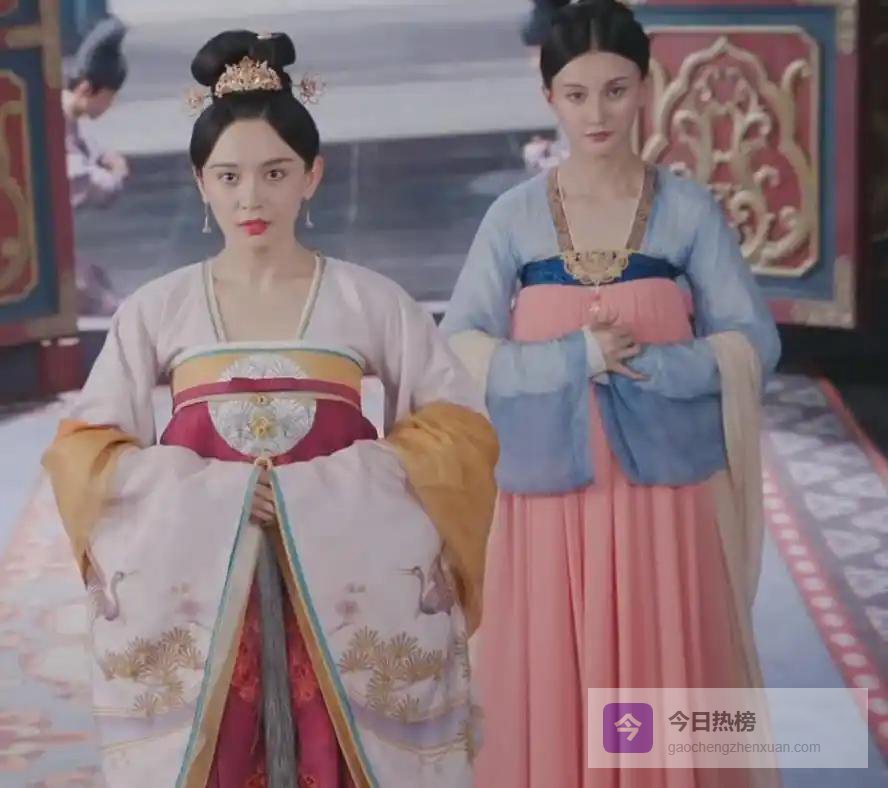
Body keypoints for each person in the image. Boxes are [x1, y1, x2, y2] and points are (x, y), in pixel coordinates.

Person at [43, 30, 497, 788]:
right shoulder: (158, 309)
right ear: (200, 182)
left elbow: (457, 432)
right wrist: (217, 492)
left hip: (346, 581)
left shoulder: (370, 300)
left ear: (313, 175)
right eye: (229, 176)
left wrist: (324, 487)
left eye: (275, 173)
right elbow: (85, 450)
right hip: (205, 587)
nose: (251, 199)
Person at [441, 1, 782, 786]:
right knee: (552, 668)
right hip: (548, 492)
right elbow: (460, 343)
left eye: (616, 90)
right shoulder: (514, 218)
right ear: (549, 97)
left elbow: (752, 342)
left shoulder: (687, 211)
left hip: (666, 494)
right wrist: (574, 359)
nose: (597, 113)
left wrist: (657, 367)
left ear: (646, 87)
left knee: (668, 660)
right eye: (577, 94)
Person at [63, 15, 130, 315]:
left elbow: (84, 150)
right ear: (87, 89)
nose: (109, 106)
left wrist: (104, 160)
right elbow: (77, 178)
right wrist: (115, 175)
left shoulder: (65, 114)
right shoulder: (56, 117)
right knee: (90, 293)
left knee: (95, 280)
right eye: (108, 98)